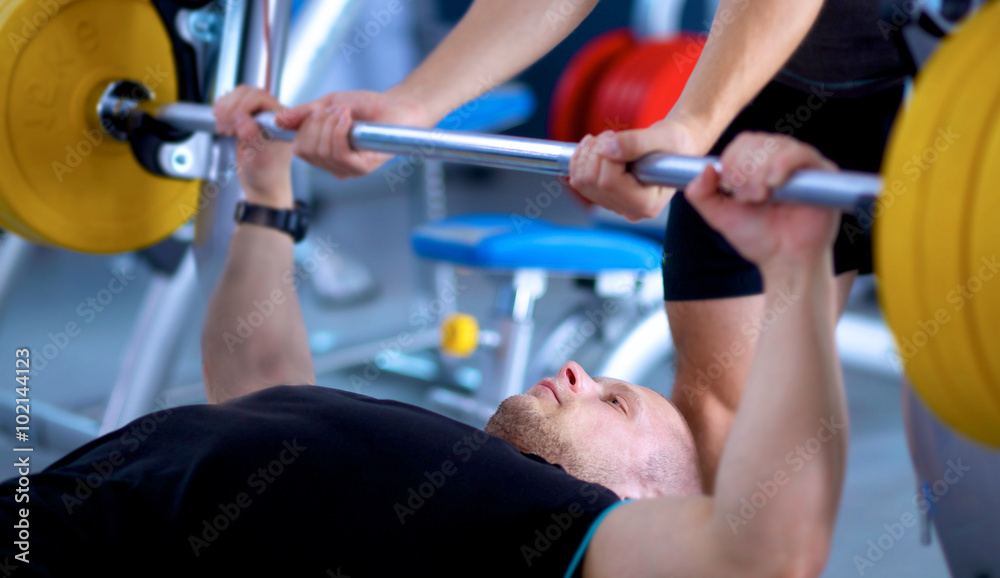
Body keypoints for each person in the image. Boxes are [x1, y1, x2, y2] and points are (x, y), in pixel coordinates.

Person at [1, 87, 846, 577]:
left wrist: (802, 266)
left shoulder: (546, 525)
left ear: (645, 509)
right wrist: (266, 190)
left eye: (617, 405)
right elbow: (259, 380)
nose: (585, 370)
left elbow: (763, 557)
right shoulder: (438, 498)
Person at [277, 0, 907, 492]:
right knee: (726, 437)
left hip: (964, 64)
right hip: (797, 77)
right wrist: (413, 105)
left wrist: (690, 126)